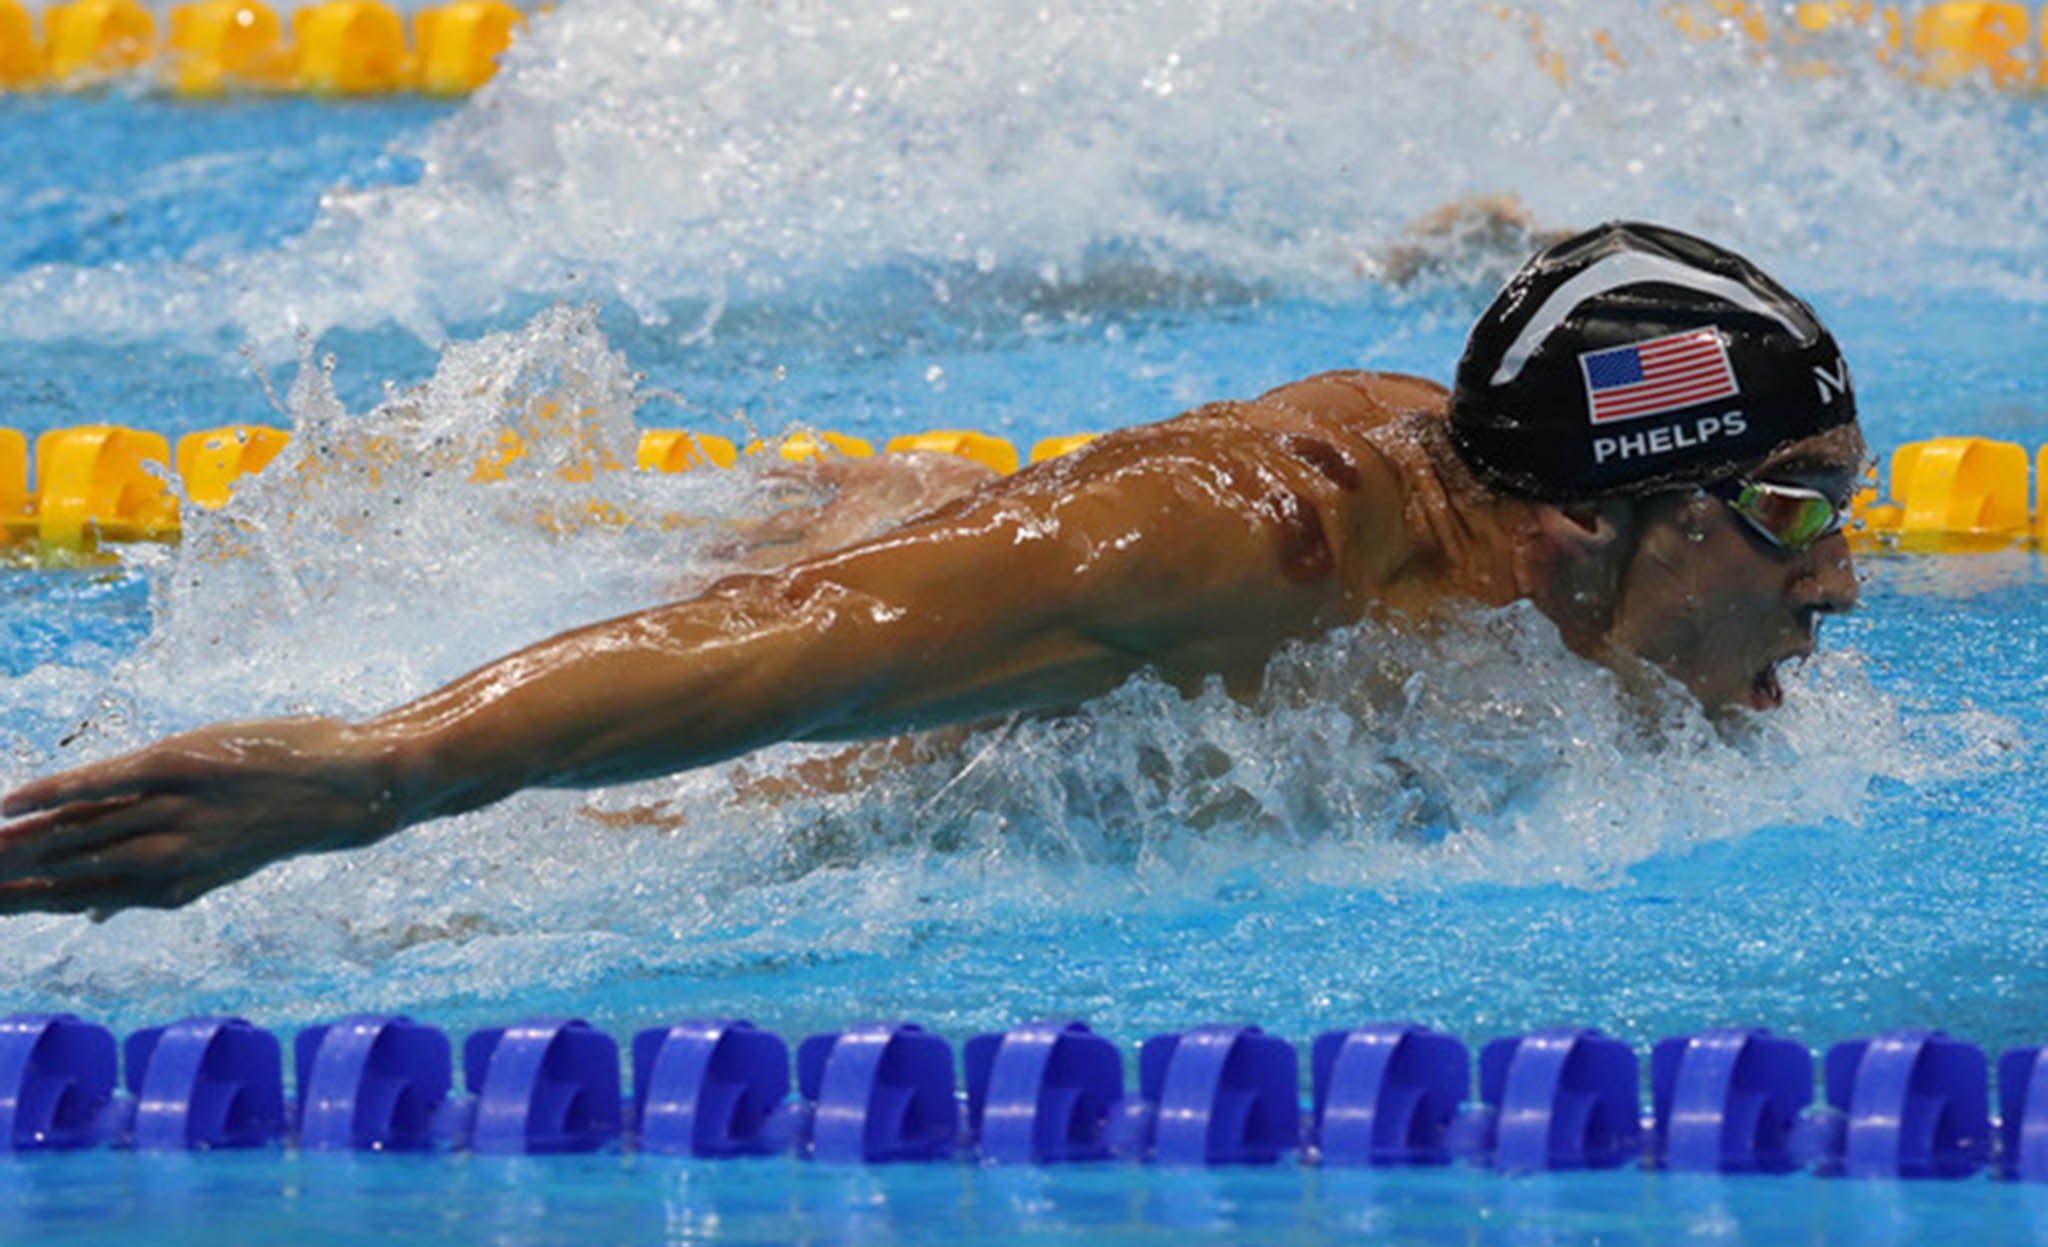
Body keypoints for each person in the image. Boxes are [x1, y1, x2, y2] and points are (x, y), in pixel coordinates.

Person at [0, 221, 1866, 917]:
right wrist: (373, 777)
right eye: (1792, 514)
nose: (1844, 585)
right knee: (735, 813)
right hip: (945, 604)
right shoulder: (1246, 547)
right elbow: (775, 651)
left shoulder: (1534, 530)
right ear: (1594, 518)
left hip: (996, 554)